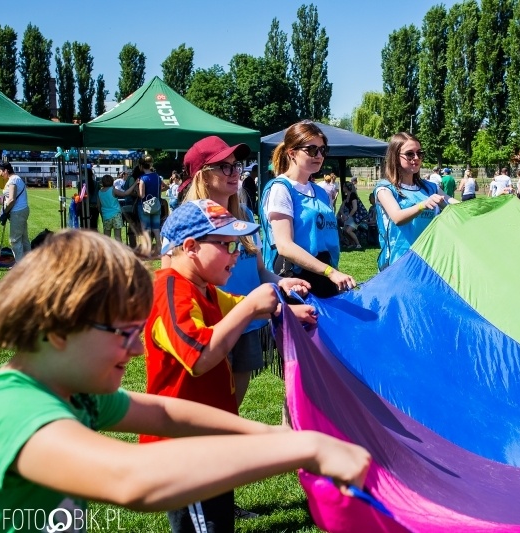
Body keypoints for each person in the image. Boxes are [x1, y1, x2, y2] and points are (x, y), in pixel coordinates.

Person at [0, 230, 370, 533]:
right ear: (59, 329)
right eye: (123, 333)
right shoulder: (18, 410)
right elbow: (130, 479)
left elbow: (163, 413)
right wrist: (306, 451)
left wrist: (281, 436)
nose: (137, 351)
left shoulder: (73, 393)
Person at [147, 200, 323, 531]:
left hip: (209, 439)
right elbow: (198, 358)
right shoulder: (171, 291)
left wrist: (282, 311)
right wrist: (252, 306)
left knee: (218, 520)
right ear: (190, 247)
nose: (235, 255)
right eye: (226, 246)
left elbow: (239, 305)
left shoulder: (204, 289)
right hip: (185, 450)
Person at [174, 135, 312, 409]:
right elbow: (176, 280)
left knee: (231, 407)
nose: (235, 172)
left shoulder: (246, 216)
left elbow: (260, 269)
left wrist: (282, 283)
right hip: (211, 327)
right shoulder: (187, 221)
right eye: (224, 166)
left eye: (236, 165)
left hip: (248, 325)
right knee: (207, 408)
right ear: (202, 175)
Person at [261, 120, 357, 297]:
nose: (319, 155)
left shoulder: (320, 192)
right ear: (292, 153)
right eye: (312, 149)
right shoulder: (281, 189)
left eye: (323, 150)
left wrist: (332, 271)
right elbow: (284, 246)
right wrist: (330, 272)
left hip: (323, 274)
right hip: (295, 280)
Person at [374, 132, 457, 270]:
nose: (416, 158)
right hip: (398, 264)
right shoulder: (385, 188)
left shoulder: (431, 187)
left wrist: (492, 204)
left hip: (429, 262)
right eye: (410, 154)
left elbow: (458, 205)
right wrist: (423, 205)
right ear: (395, 156)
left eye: (419, 153)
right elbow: (397, 217)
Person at [0, 162, 30, 262]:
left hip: (17, 212)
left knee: (15, 240)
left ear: (6, 170)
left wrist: (5, 212)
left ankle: (20, 266)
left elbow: (12, 199)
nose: (0, 174)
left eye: (0, 172)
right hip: (21, 211)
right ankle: (29, 263)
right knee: (24, 239)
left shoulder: (13, 180)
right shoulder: (16, 179)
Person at [98, 174, 137, 242]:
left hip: (106, 216)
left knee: (106, 237)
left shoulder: (99, 192)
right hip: (116, 215)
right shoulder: (113, 190)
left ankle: (107, 252)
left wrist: (102, 215)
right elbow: (125, 193)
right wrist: (134, 184)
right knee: (118, 237)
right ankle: (119, 251)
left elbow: (99, 206)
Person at [137, 156, 163, 254]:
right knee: (156, 228)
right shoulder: (157, 176)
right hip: (156, 205)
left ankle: (147, 250)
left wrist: (136, 190)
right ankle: (160, 248)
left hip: (144, 206)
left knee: (146, 229)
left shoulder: (142, 178)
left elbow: (142, 195)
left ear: (141, 166)